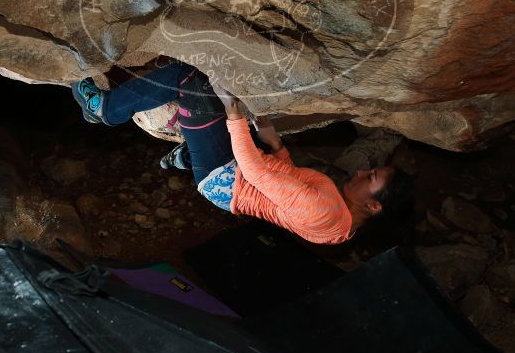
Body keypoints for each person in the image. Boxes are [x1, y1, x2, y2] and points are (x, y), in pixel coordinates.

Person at [72, 62, 414, 244]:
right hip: (234, 181)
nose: (358, 173)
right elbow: (287, 186)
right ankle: (185, 158)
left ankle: (105, 109)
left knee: (191, 79)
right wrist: (277, 145)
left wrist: (232, 113)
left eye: (370, 177)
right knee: (250, 132)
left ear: (374, 205)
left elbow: (257, 175)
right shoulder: (341, 227)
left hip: (226, 176)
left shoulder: (326, 211)